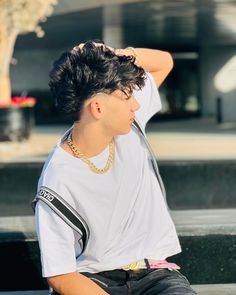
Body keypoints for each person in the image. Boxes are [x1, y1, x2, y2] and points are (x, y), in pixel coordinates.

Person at [34, 40, 197, 295]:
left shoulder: (129, 125)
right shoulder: (58, 180)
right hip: (91, 280)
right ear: (97, 108)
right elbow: (61, 275)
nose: (136, 104)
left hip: (155, 275)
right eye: (127, 95)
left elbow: (165, 62)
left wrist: (114, 55)